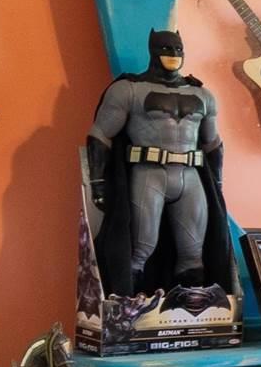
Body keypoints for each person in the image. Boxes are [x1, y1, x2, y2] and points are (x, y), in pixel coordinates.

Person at [83, 29, 231, 307]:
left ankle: (191, 312)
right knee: (140, 250)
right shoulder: (129, 89)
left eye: (178, 49)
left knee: (193, 255)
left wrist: (218, 185)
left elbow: (212, 144)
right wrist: (99, 184)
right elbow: (100, 135)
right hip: (149, 173)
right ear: (153, 51)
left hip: (190, 176)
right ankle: (128, 310)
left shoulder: (202, 95)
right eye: (166, 49)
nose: (173, 55)